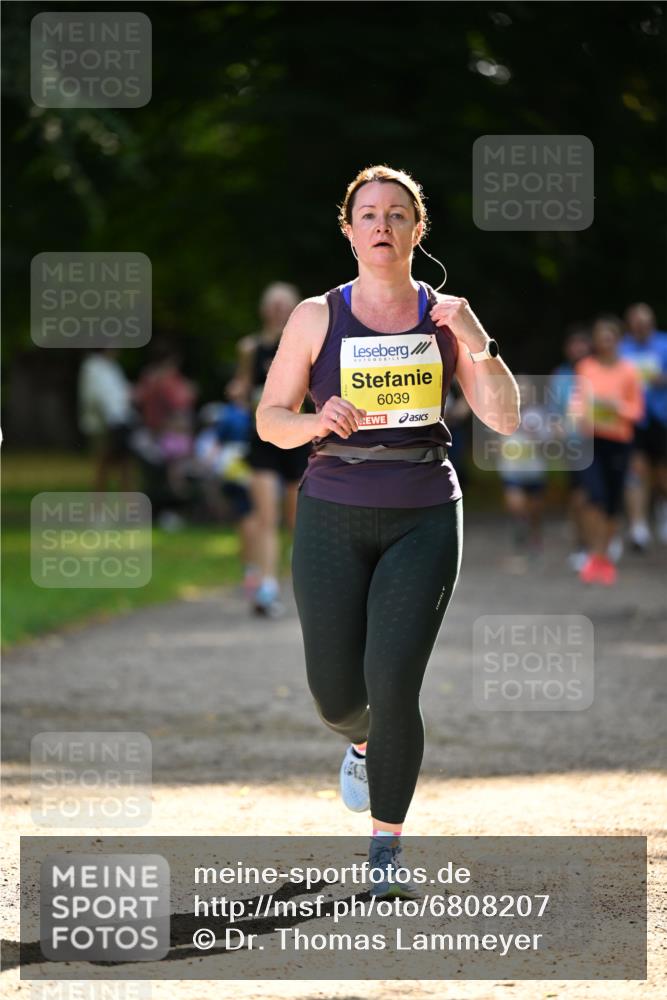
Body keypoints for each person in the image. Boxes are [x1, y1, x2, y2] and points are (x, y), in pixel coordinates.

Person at [255, 165, 520, 898]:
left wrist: (478, 340)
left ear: (416, 229)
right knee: (334, 693)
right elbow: (269, 419)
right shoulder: (315, 316)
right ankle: (362, 742)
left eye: (396, 214)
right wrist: (316, 418)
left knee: (393, 681)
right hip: (333, 508)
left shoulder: (445, 318)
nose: (381, 225)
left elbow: (503, 418)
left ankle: (385, 851)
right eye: (367, 214)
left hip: (425, 510)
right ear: (347, 230)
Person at [233, 282, 313, 617]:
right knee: (266, 516)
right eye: (274, 304)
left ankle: (304, 584)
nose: (280, 309)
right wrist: (242, 394)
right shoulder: (251, 348)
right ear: (265, 310)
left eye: (286, 304)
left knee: (297, 520)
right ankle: (266, 587)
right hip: (263, 439)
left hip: (297, 439)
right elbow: (242, 390)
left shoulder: (305, 344)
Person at [570, 316, 644, 585]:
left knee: (612, 502)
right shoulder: (585, 367)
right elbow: (578, 400)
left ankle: (603, 557)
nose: (605, 342)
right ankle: (594, 553)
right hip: (591, 441)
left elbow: (637, 411)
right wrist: (577, 413)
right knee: (594, 496)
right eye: (600, 337)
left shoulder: (629, 371)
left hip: (619, 442)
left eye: (609, 337)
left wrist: (616, 407)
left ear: (617, 340)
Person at [618, 302, 667, 549]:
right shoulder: (621, 348)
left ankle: (661, 507)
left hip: (661, 416)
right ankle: (638, 527)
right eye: (636, 323)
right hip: (632, 419)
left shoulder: (664, 344)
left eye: (644, 322)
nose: (640, 327)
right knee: (637, 471)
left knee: (661, 475)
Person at [548, 325, 592, 569]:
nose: (578, 349)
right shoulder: (560, 376)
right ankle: (582, 545)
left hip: (601, 442)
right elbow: (555, 412)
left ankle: (599, 541)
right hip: (574, 446)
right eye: (573, 344)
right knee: (579, 496)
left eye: (581, 343)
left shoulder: (596, 372)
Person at [496, 374, 550, 561]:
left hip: (534, 470)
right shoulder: (501, 412)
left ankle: (535, 536)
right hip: (512, 469)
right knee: (516, 505)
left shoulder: (539, 414)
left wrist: (537, 435)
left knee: (536, 510)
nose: (522, 395)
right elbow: (494, 440)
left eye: (525, 391)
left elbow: (548, 442)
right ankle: (521, 524)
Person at [77, 348, 135, 492]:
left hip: (120, 421)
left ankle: (128, 504)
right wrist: (112, 415)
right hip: (101, 425)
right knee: (103, 465)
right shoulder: (92, 367)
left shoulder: (112, 366)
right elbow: (94, 397)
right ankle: (98, 506)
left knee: (125, 464)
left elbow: (121, 393)